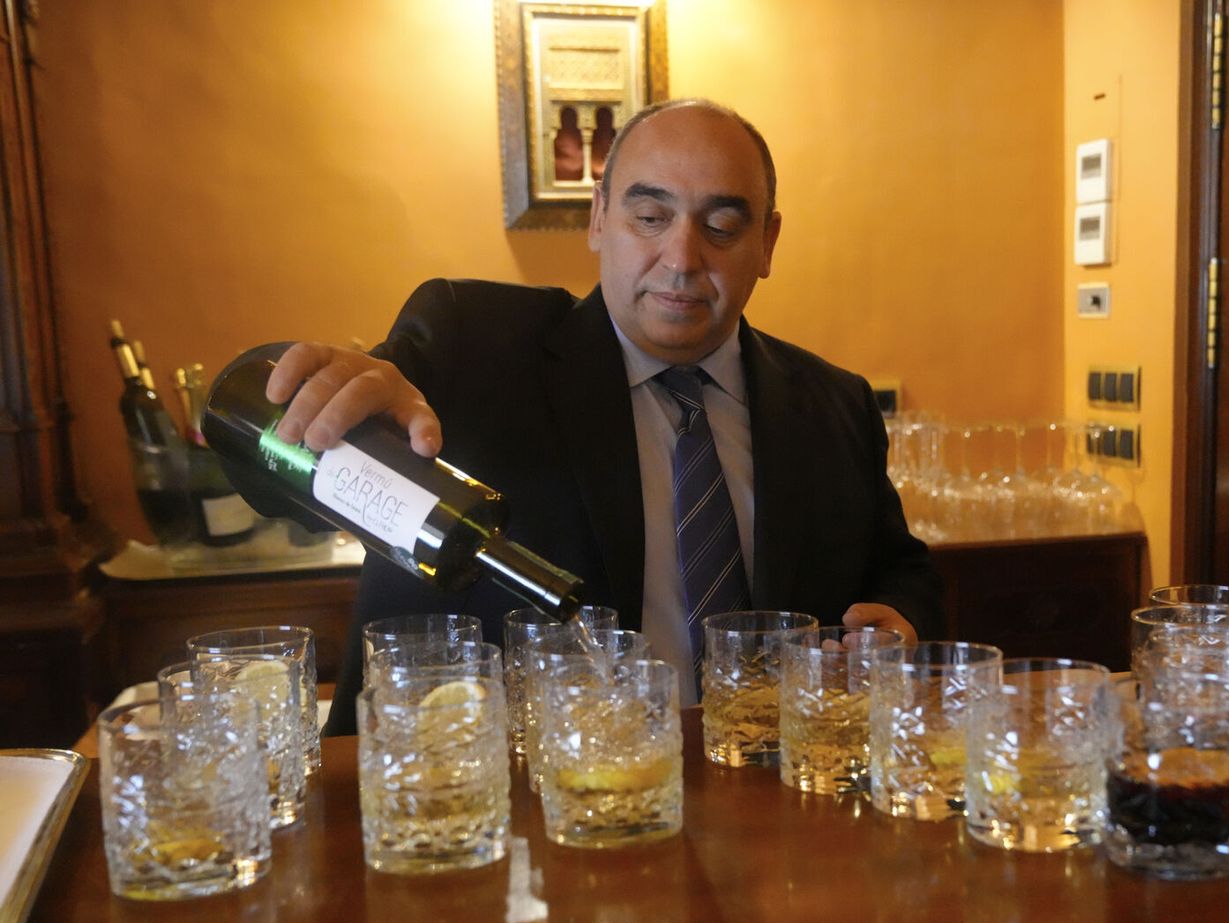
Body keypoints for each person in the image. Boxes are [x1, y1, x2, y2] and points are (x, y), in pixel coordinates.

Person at [242, 98, 941, 733]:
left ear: (768, 242)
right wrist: (320, 414)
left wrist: (897, 621)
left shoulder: (833, 403)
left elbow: (898, 568)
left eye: (722, 227)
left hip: (765, 789)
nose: (681, 258)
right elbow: (270, 476)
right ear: (599, 218)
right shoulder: (467, 346)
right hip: (498, 787)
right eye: (650, 217)